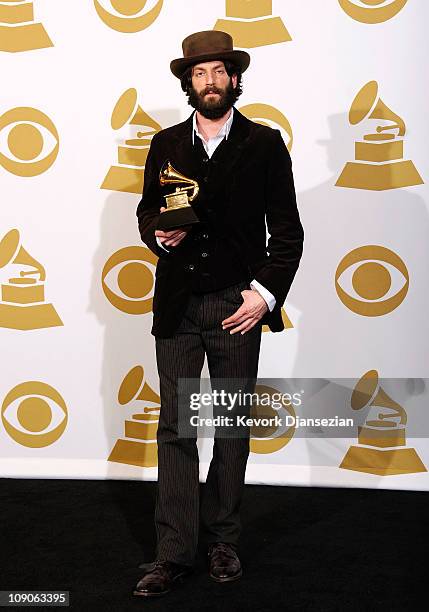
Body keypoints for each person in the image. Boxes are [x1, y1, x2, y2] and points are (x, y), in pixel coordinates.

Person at [134, 30, 304, 597]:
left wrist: (265, 294)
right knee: (177, 430)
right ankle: (173, 553)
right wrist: (159, 237)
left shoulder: (264, 143)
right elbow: (146, 215)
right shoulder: (164, 143)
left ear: (234, 78)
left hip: (238, 304)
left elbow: (287, 231)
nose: (209, 82)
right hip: (178, 307)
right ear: (189, 82)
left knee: (229, 425)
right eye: (199, 74)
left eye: (218, 72)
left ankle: (223, 542)